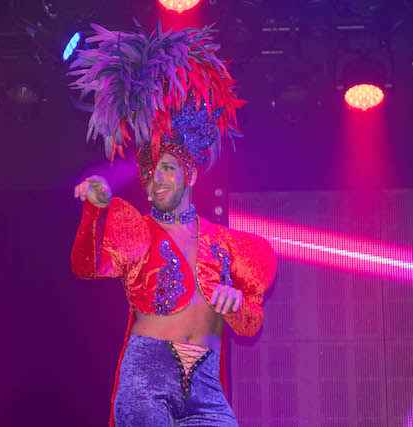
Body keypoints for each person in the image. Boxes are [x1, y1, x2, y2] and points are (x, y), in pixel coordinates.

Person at [68, 21, 277, 426]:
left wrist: (237, 306)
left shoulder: (230, 244)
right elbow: (84, 267)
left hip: (206, 386)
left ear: (191, 175)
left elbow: (251, 325)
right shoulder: (137, 230)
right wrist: (94, 211)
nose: (156, 179)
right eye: (150, 173)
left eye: (166, 168)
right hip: (147, 378)